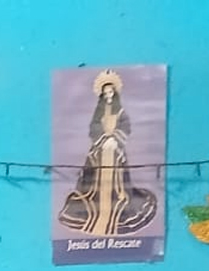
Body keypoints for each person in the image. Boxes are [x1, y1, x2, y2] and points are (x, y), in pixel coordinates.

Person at [58, 69, 158, 236]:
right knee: (92, 179)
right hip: (100, 149)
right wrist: (103, 138)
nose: (109, 95)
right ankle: (94, 211)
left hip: (115, 150)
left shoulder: (120, 111)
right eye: (106, 93)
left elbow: (126, 127)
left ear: (115, 93)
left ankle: (115, 211)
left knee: (118, 182)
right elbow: (93, 128)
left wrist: (115, 139)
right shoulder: (98, 112)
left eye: (111, 92)